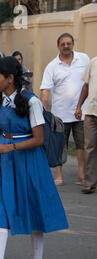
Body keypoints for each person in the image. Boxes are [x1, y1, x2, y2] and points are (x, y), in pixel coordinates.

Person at [0, 57, 68, 259]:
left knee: (34, 207)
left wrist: (10, 147)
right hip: (5, 162)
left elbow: (39, 139)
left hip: (29, 161)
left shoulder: (31, 101)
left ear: (10, 78)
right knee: (2, 210)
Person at [40, 33, 90, 186]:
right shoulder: (52, 66)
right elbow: (45, 90)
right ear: (58, 46)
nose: (66, 46)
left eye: (69, 43)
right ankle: (59, 175)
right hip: (60, 114)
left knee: (82, 144)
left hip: (81, 112)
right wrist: (43, 110)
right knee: (60, 145)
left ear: (73, 44)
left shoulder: (84, 59)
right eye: (63, 44)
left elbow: (90, 81)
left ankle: (81, 174)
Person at [74, 56, 97, 194]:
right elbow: (86, 86)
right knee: (89, 146)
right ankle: (89, 182)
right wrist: (79, 106)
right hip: (91, 112)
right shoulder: (94, 62)